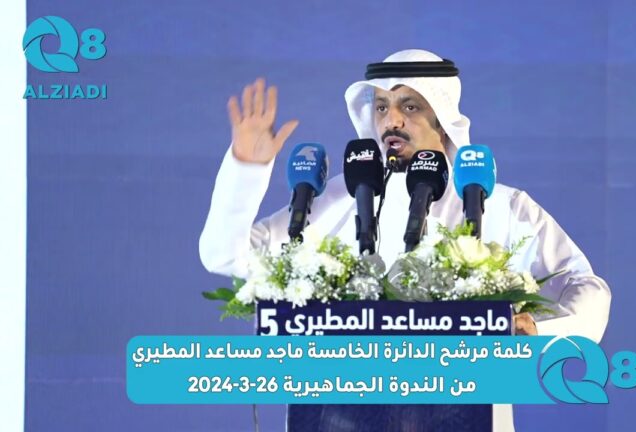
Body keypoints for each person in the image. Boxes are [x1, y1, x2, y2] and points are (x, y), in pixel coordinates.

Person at [200, 49, 611, 432]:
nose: (390, 121)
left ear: (443, 119)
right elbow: (224, 255)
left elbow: (586, 288)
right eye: (381, 107)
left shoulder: (498, 205)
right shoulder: (335, 200)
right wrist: (246, 170)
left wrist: (540, 330)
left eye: (409, 106)